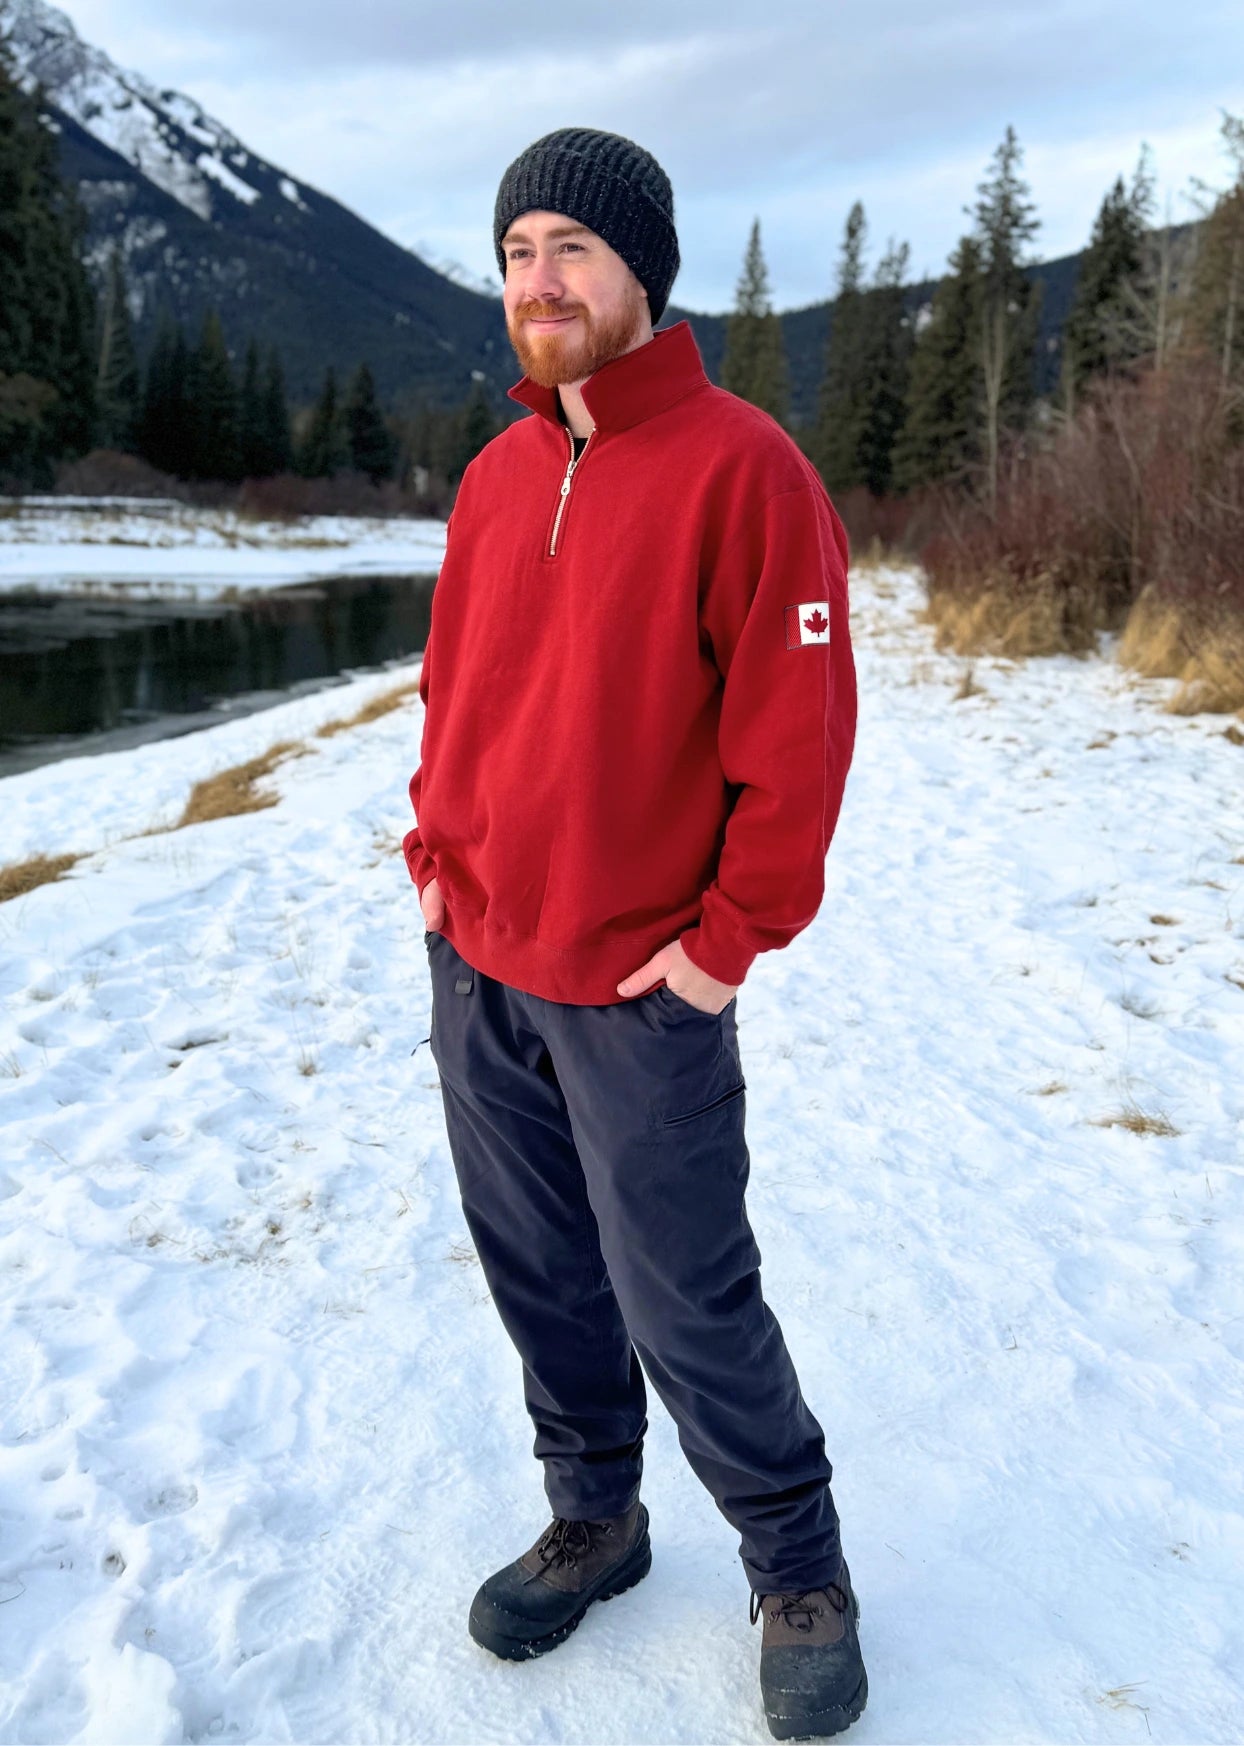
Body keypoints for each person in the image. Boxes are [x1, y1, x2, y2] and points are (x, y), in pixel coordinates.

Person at [403, 126, 865, 1741]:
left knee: (684, 1290)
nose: (540, 280)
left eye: (572, 251)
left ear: (640, 276)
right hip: (484, 960)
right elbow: (454, 692)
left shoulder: (747, 471)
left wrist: (728, 942)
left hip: (637, 985)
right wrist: (436, 860)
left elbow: (795, 742)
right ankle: (597, 1515)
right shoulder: (495, 472)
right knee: (539, 1270)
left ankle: (798, 1565)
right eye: (520, 250)